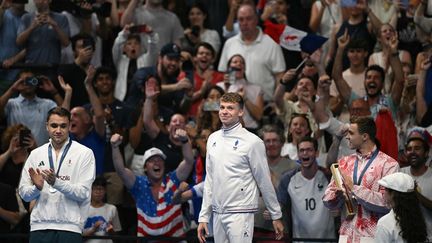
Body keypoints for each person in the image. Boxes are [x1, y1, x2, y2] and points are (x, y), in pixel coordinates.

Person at [197, 92, 284, 243]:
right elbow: (210, 180)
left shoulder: (252, 142)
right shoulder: (212, 139)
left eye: (230, 108)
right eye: (222, 107)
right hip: (218, 212)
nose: (224, 111)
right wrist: (204, 216)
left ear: (241, 112)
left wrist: (276, 215)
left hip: (241, 212)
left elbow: (264, 180)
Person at [18, 107, 96, 243]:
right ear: (46, 126)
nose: (58, 131)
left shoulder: (84, 153)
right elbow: (24, 194)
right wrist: (37, 188)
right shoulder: (36, 154)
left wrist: (56, 182)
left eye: (63, 126)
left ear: (69, 126)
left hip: (70, 228)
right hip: (39, 227)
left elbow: (83, 193)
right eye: (54, 125)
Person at [323, 116, 399, 243]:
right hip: (346, 235)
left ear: (365, 136)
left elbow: (387, 203)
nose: (347, 137)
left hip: (373, 237)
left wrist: (354, 189)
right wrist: (336, 197)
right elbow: (327, 199)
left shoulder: (389, 164)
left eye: (351, 133)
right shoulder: (343, 163)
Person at [110, 133, 195, 237]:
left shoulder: (173, 180)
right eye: (152, 160)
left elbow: (189, 162)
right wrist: (115, 147)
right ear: (145, 167)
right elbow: (121, 170)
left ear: (164, 164)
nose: (157, 163)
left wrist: (185, 141)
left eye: (160, 160)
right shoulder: (139, 184)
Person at [218, 3, 286, 102]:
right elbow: (222, 74)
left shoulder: (271, 43)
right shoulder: (229, 43)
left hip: (265, 105)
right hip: (234, 105)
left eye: (248, 19)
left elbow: (280, 76)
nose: (244, 23)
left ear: (256, 20)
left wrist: (277, 103)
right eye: (241, 19)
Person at [277, 137, 336, 241]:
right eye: (302, 150)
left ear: (316, 153)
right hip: (299, 240)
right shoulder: (287, 179)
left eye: (309, 150)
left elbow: (332, 163)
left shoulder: (328, 176)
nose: (305, 153)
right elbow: (279, 205)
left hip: (327, 239)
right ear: (298, 154)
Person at [0, 70, 71, 146]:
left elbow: (65, 115)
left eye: (31, 80)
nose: (27, 83)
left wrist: (54, 92)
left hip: (42, 153)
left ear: (36, 82)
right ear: (17, 82)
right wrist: (12, 89)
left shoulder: (47, 104)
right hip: (17, 152)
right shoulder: (11, 103)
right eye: (23, 81)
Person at [374, 172, 429, 243]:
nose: (383, 194)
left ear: (393, 194)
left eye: (385, 190)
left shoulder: (385, 223)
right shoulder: (417, 217)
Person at [83, 176, 122, 243]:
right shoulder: (83, 209)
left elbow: (117, 236)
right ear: (90, 190)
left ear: (105, 191)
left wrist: (110, 230)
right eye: (95, 189)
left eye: (101, 189)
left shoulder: (112, 209)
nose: (98, 192)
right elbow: (78, 236)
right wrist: (93, 229)